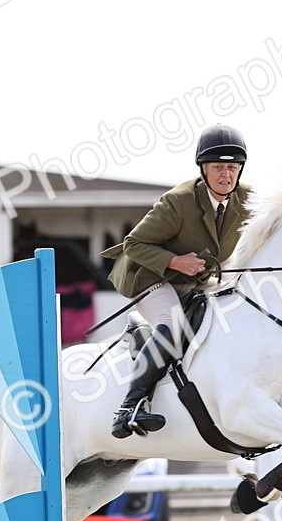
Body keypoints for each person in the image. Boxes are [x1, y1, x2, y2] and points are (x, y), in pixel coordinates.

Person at [100, 123, 253, 438]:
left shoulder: (248, 199)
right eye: (218, 167)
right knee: (173, 328)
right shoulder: (179, 201)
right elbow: (133, 244)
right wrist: (175, 261)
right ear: (203, 169)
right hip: (150, 275)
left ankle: (144, 337)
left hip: (196, 279)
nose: (226, 175)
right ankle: (130, 407)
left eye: (233, 167)